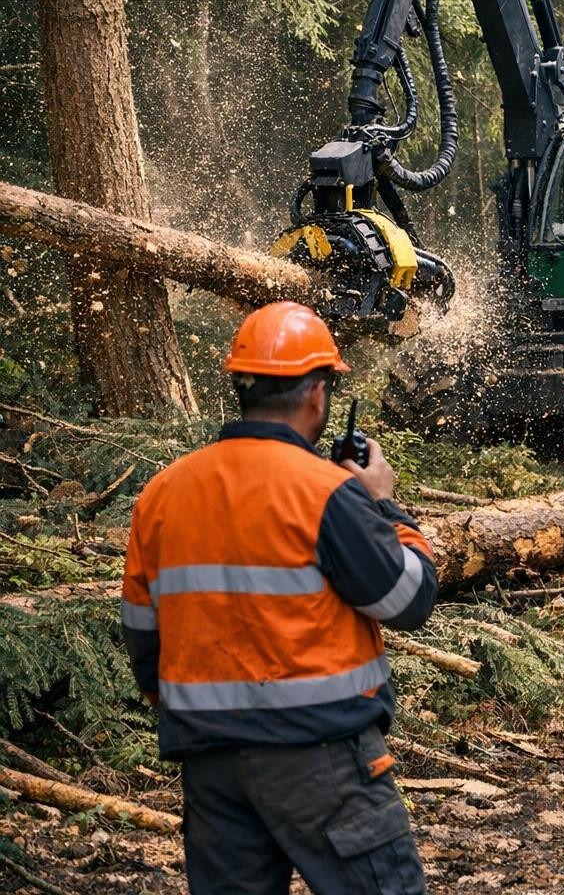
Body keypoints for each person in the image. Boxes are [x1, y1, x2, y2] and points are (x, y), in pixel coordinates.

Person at [122, 301, 437, 895]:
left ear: (241, 385)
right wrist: (385, 505)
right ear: (318, 394)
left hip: (210, 764)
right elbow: (408, 599)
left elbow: (143, 636)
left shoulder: (162, 494)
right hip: (319, 758)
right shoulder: (326, 491)